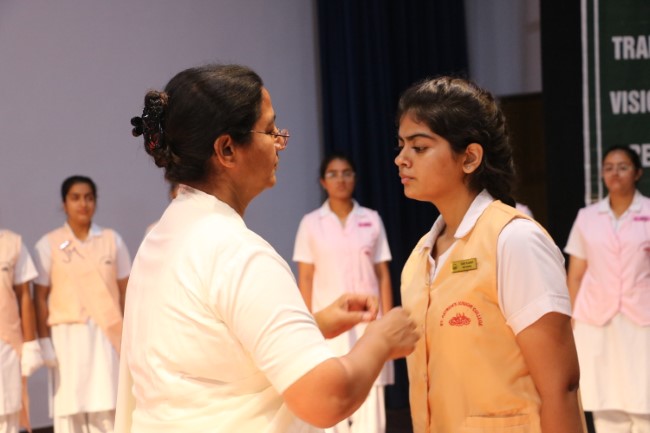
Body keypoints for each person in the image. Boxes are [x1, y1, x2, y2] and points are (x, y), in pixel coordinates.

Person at [117, 64, 419, 433]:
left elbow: (207, 353)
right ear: (227, 149)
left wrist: (313, 325)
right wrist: (379, 340)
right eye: (270, 129)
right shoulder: (238, 253)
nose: (279, 141)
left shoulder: (162, 236)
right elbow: (326, 398)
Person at [394, 76, 584, 433]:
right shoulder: (418, 260)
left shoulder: (514, 240)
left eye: (418, 147)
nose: (401, 159)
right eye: (401, 145)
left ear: (470, 157)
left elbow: (561, 388)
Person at [293, 153, 394, 433]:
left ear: (355, 178)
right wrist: (308, 325)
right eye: (333, 174)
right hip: (329, 324)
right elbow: (306, 277)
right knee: (330, 394)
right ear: (323, 182)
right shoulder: (311, 223)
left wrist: (386, 322)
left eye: (347, 172)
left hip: (368, 323)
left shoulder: (371, 219)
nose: (340, 179)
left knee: (371, 395)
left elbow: (382, 274)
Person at [33, 175, 132, 433]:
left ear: (95, 201)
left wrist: (129, 335)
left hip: (106, 336)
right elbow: (39, 297)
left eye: (88, 198)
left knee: (108, 405)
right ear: (64, 203)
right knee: (71, 409)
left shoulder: (111, 239)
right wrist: (43, 341)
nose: (83, 204)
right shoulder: (49, 244)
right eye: (75, 198)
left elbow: (127, 291)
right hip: (67, 337)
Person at [565, 145, 650, 433]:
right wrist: (570, 319)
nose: (615, 173)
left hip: (642, 319)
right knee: (604, 403)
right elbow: (576, 274)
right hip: (595, 320)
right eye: (609, 168)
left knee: (643, 399)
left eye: (623, 167)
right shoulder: (587, 216)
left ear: (637, 173)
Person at [0, 228, 42, 433]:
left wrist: (30, 344)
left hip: (6, 345)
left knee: (8, 411)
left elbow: (24, 294)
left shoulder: (12, 243)